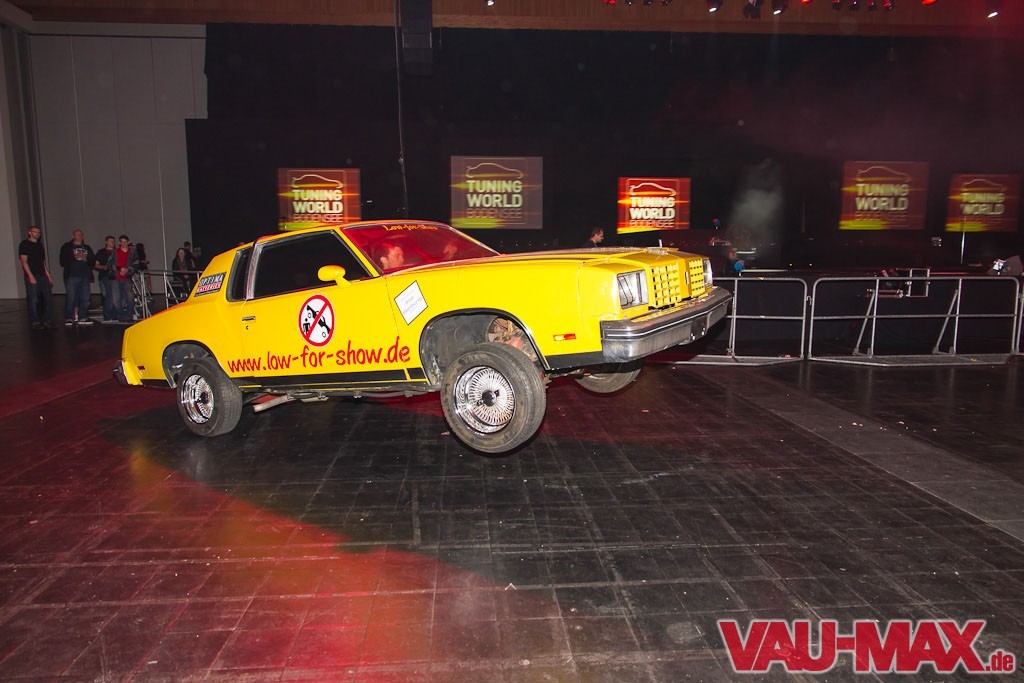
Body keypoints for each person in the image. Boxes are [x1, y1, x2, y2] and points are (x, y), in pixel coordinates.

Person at [18, 225, 55, 329]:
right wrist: (30, 276)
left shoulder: (39, 246)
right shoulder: (24, 244)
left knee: (48, 298)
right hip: (32, 274)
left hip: (42, 275)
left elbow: (43, 262)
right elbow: (24, 261)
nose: (37, 234)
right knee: (33, 299)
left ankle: (47, 320)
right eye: (35, 232)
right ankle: (35, 321)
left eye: (39, 232)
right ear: (30, 232)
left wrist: (48, 275)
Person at [58, 229, 96, 326]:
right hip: (72, 275)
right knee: (71, 297)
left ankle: (82, 317)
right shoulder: (67, 247)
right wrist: (74, 257)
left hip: (85, 276)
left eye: (81, 234)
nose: (79, 236)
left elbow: (93, 261)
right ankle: (69, 318)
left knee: (85, 298)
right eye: (77, 234)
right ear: (73, 236)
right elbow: (62, 261)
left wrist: (87, 258)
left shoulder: (87, 247)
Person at [108, 234, 139, 323]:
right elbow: (109, 263)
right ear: (119, 243)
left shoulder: (133, 252)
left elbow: (136, 263)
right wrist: (119, 269)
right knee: (116, 298)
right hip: (115, 277)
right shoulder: (114, 252)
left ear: (128, 242)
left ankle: (129, 315)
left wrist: (127, 269)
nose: (123, 243)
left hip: (127, 277)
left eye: (125, 242)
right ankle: (120, 315)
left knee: (130, 296)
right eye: (122, 242)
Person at [93, 235, 118, 323]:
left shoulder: (117, 252)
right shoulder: (101, 252)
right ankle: (107, 316)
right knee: (109, 295)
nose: (112, 242)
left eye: (113, 241)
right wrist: (104, 267)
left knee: (116, 296)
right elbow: (95, 264)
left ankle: (114, 315)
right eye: (110, 241)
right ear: (106, 242)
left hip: (116, 276)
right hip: (105, 276)